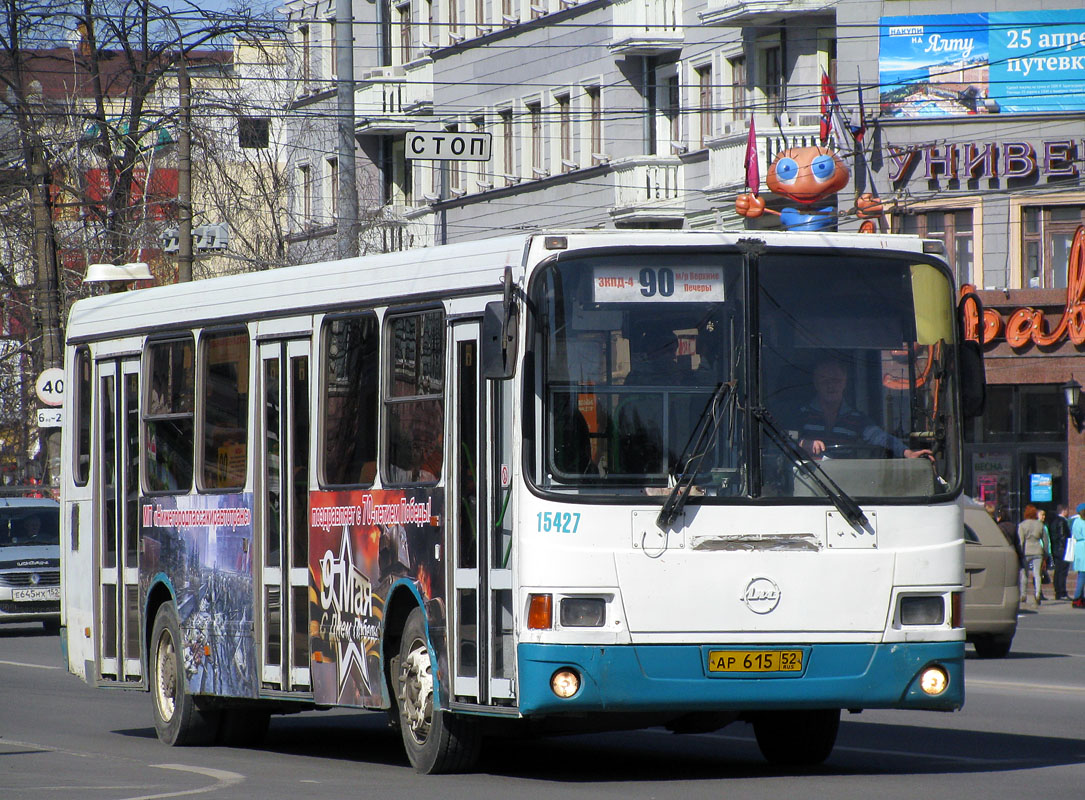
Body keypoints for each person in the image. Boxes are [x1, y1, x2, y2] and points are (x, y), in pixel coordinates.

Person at [796, 358, 932, 459]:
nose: (831, 386)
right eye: (825, 381)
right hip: (809, 481)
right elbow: (782, 440)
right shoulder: (801, 413)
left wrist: (907, 453)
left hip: (843, 481)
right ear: (815, 383)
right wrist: (802, 443)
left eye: (836, 380)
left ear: (844, 382)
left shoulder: (856, 418)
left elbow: (879, 436)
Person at [1017, 504, 1048, 606]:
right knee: (1037, 574)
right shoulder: (1040, 525)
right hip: (1038, 550)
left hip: (1026, 551)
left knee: (1024, 573)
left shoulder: (1022, 525)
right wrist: (1045, 553)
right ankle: (1038, 593)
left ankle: (1023, 594)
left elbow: (1021, 541)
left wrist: (1019, 553)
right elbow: (1045, 540)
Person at [1049, 505, 1072, 600]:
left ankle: (1057, 591)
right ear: (1064, 511)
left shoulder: (1053, 521)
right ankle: (1062, 591)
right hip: (1062, 550)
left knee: (1057, 571)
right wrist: (1066, 548)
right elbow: (1063, 536)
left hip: (1056, 549)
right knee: (1063, 571)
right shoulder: (1062, 521)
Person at [1071, 503, 1085, 608]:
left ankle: (1079, 597)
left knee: (1081, 574)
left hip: (1079, 547)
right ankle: (1077, 597)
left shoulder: (1076, 521)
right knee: (1082, 576)